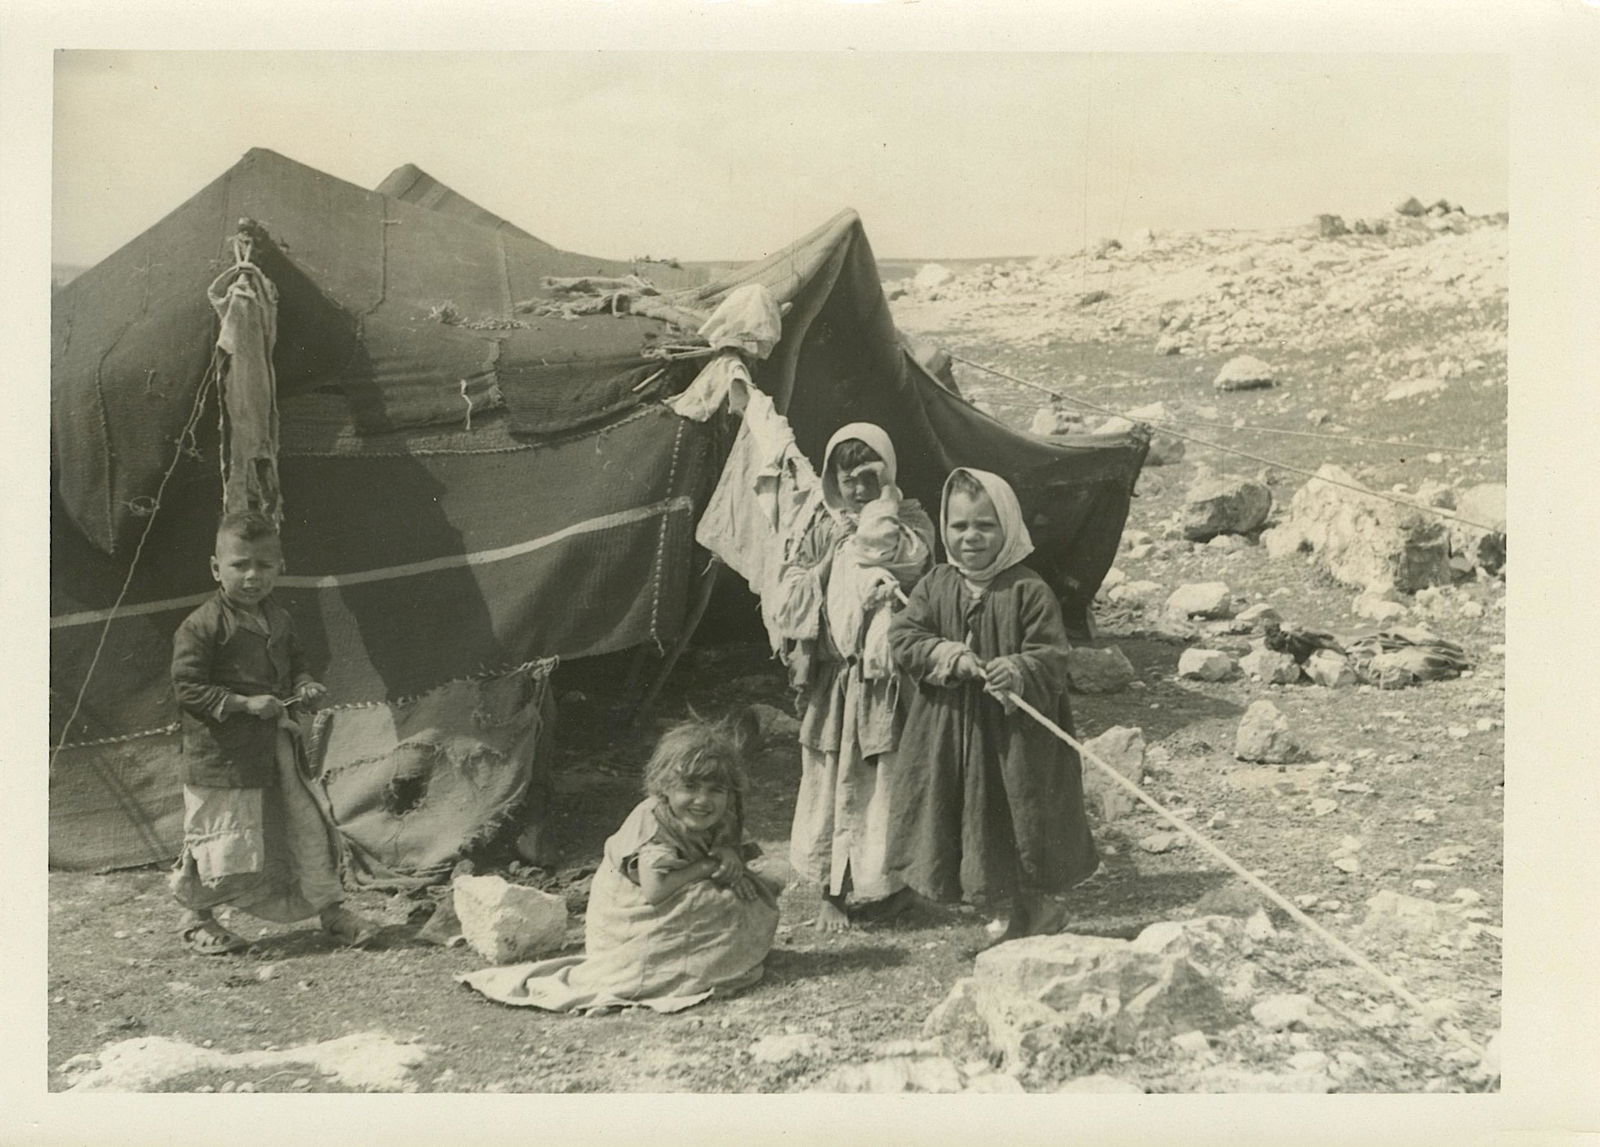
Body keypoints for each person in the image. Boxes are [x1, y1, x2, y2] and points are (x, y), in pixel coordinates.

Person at [886, 468, 1099, 945]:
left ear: (1008, 525)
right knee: (967, 816)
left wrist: (1018, 670)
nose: (971, 538)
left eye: (985, 525)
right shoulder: (936, 584)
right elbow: (903, 636)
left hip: (1014, 738)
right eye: (959, 526)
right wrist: (946, 654)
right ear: (945, 529)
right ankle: (1004, 910)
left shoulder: (1027, 589)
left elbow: (1053, 655)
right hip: (951, 731)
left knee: (1017, 815)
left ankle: (1037, 907)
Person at [457, 709, 780, 1014]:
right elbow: (655, 888)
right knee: (716, 900)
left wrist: (729, 854)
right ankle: (687, 968)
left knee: (745, 892)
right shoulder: (652, 822)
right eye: (690, 787)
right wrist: (710, 867)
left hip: (673, 898)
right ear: (666, 786)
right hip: (632, 919)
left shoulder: (721, 814)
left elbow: (735, 846)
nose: (702, 800)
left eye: (715, 790)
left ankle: (710, 960)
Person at [169, 511, 379, 955]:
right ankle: (197, 918)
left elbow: (297, 661)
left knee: (305, 826)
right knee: (222, 837)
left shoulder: (278, 619)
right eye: (240, 565)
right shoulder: (202, 626)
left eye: (264, 566)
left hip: (276, 749)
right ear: (216, 569)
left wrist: (304, 686)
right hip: (224, 759)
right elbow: (188, 687)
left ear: (279, 568)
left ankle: (331, 911)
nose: (252, 576)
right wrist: (244, 704)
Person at [774, 423, 935, 930]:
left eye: (871, 475)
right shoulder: (818, 527)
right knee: (832, 783)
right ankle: (832, 893)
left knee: (889, 783)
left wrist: (878, 515)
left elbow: (908, 563)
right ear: (831, 480)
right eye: (849, 479)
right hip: (836, 680)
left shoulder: (911, 520)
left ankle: (894, 887)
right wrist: (828, 560)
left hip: (888, 681)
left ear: (889, 474)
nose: (860, 488)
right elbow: (789, 598)